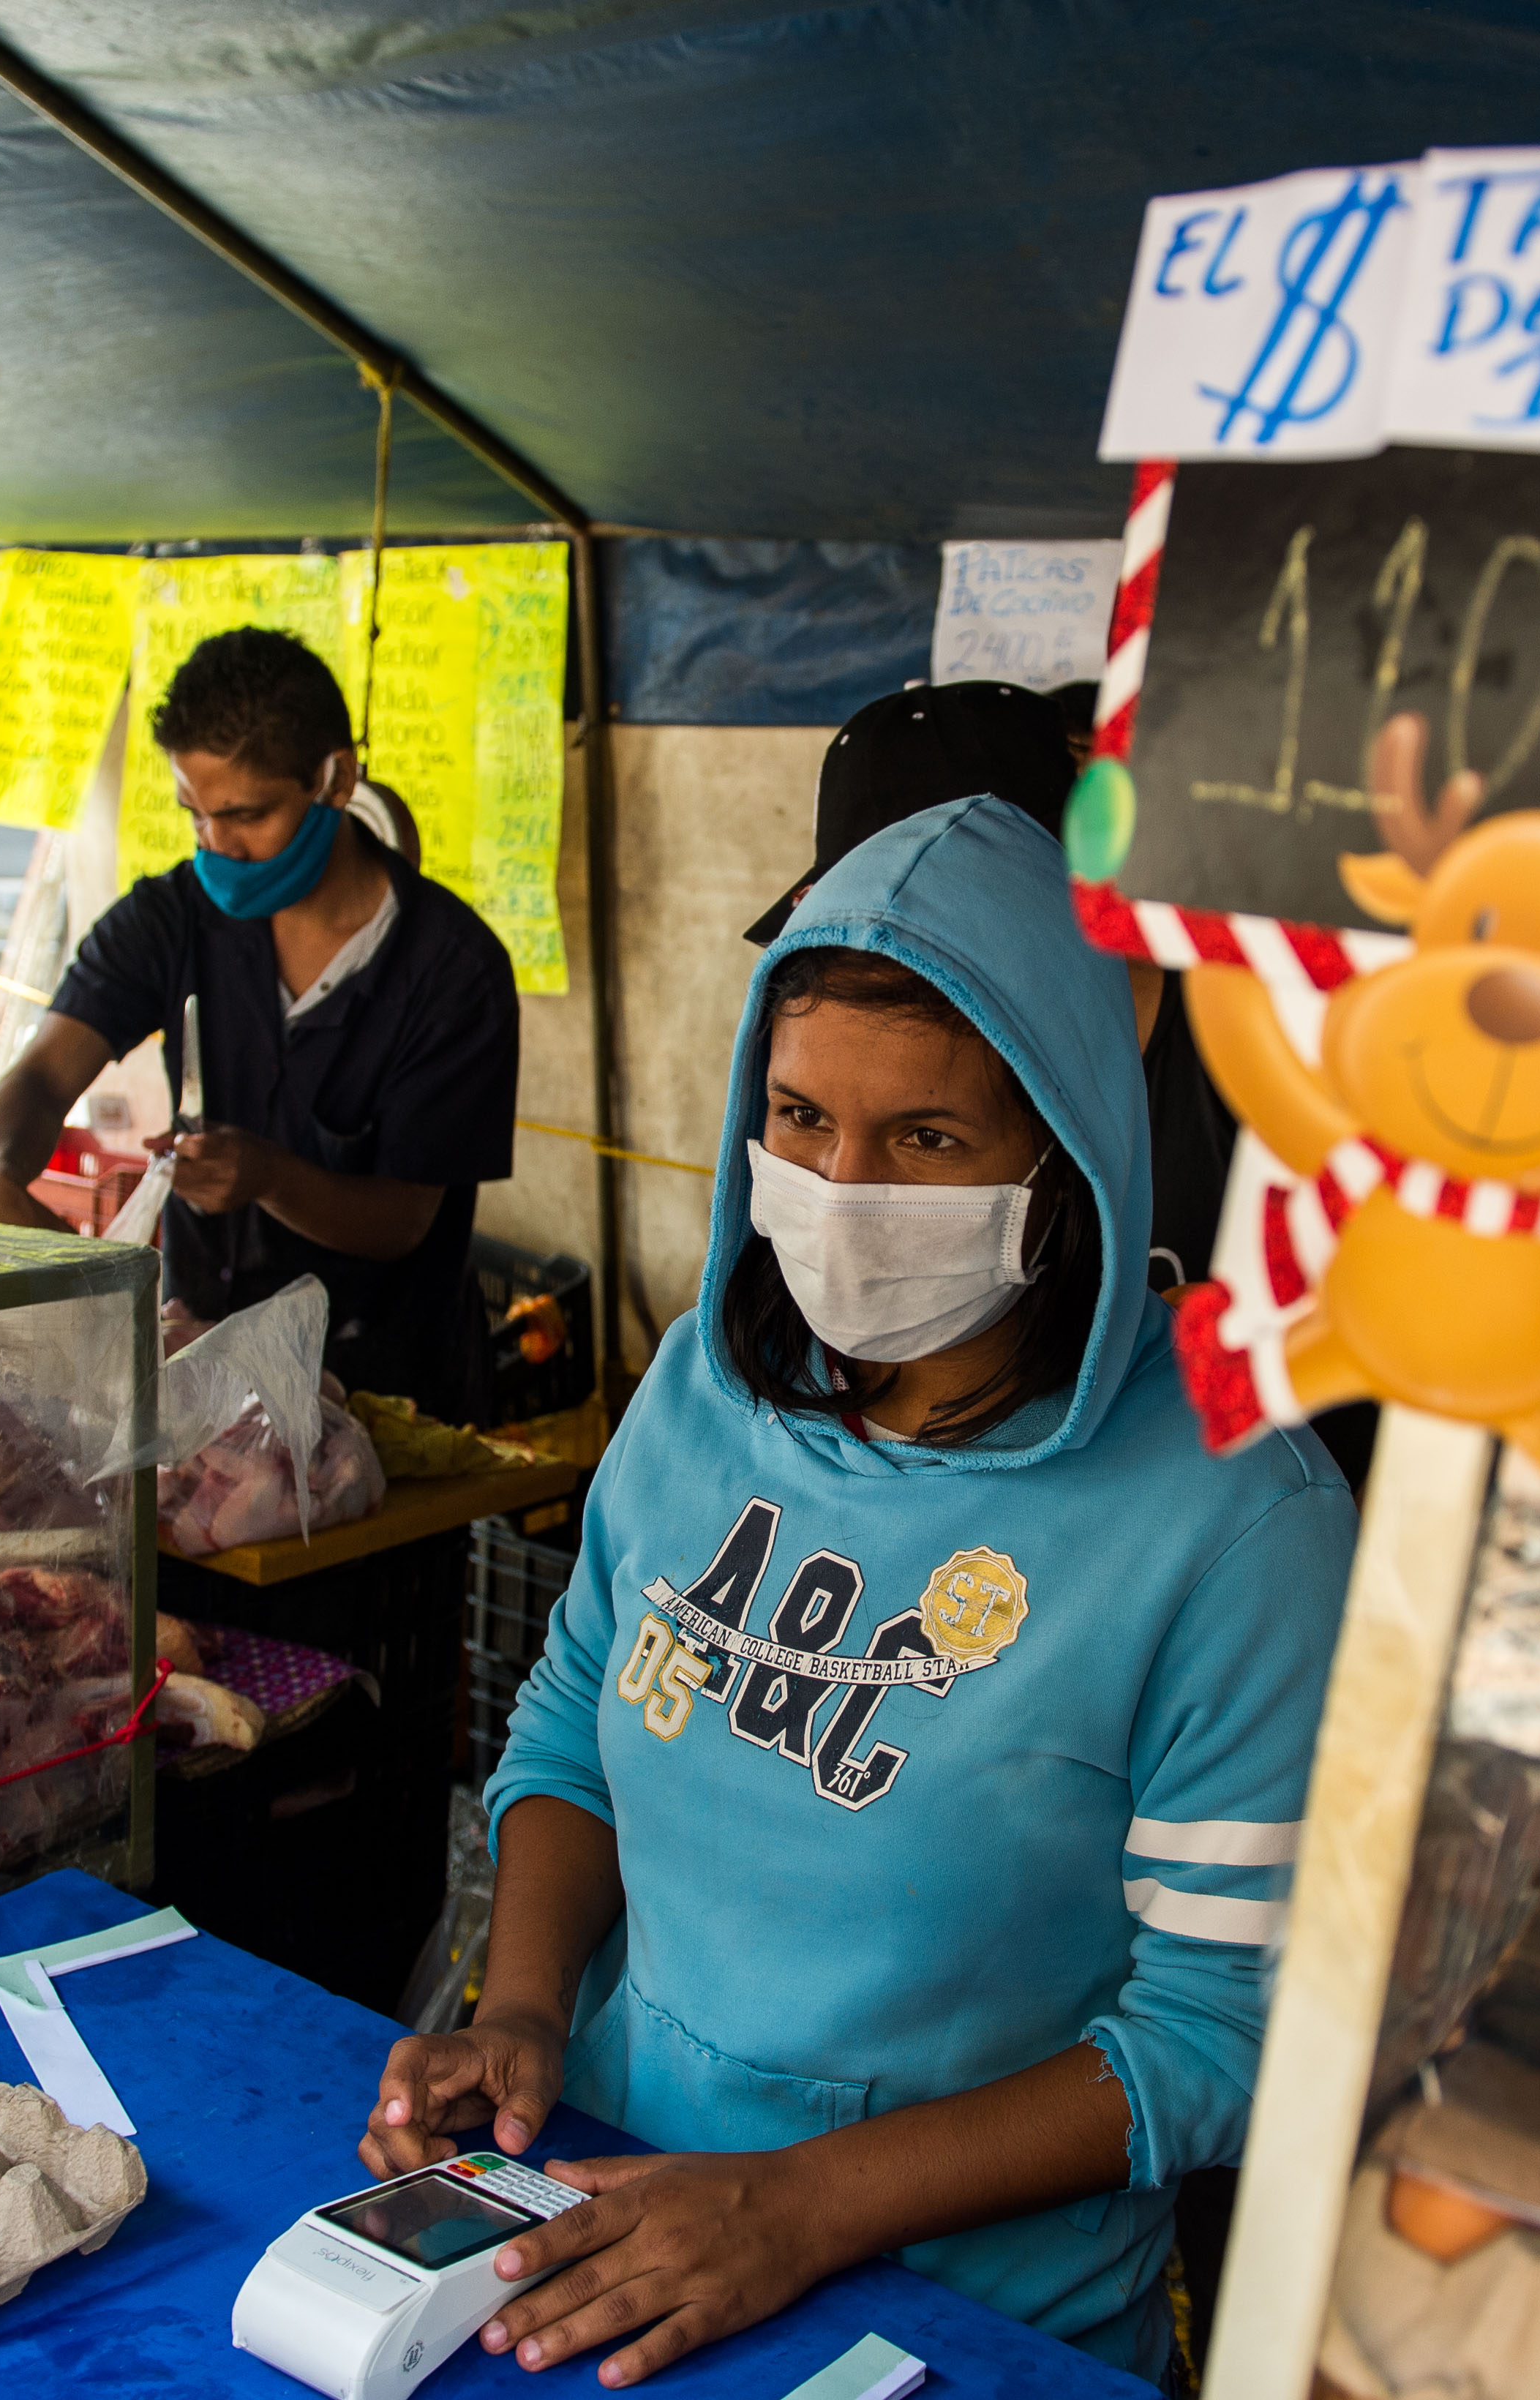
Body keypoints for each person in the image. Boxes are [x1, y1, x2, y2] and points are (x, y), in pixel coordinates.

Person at [368, 796, 1355, 2387]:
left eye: (928, 1139)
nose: (841, 1184)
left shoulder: (1234, 1513)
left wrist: (800, 2204)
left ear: (1066, 1146)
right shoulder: (706, 1382)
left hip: (961, 2322)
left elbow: (1220, 2033)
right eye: (802, 1118)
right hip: (604, 2214)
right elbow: (568, 1725)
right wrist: (530, 2007)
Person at [0, 628, 517, 1417]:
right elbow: (43, 1074)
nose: (216, 845)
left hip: (382, 1398)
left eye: (245, 815)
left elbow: (404, 1218)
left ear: (334, 779)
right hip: (198, 1378)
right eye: (195, 814)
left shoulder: (454, 971)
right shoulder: (167, 921)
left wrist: (271, 1178)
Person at [746, 682, 1238, 1305]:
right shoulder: (818, 1076)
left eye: (938, 937)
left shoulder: (1247, 1047)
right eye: (806, 1115)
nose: (847, 1183)